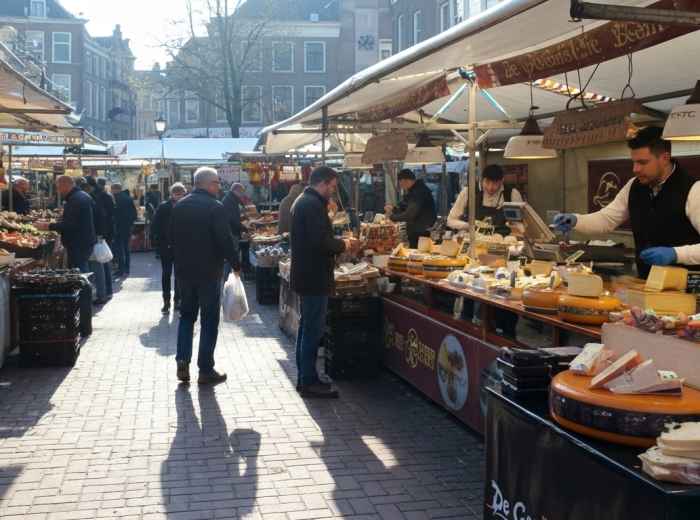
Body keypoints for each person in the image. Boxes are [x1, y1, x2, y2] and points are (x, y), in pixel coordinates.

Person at [554, 126, 700, 279]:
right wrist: (576, 220)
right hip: (647, 284)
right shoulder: (634, 185)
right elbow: (606, 220)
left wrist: (676, 254)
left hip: (688, 291)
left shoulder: (693, 190)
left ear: (664, 158)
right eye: (634, 162)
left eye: (642, 162)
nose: (635, 169)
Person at [290, 166, 357, 398]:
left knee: (307, 328)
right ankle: (308, 380)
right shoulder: (310, 204)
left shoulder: (306, 201)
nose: (333, 190)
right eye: (333, 186)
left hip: (308, 275)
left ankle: (305, 377)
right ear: (324, 183)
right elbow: (321, 242)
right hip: (314, 276)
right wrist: (344, 244)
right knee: (312, 330)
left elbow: (316, 238)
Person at [171, 167, 241, 385]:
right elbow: (225, 240)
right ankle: (205, 369)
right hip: (209, 272)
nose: (219, 186)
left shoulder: (180, 205)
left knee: (186, 316)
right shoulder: (215, 207)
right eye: (217, 183)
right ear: (208, 184)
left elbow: (170, 237)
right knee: (209, 320)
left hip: (184, 271)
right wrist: (236, 264)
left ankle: (183, 359)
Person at [36, 176, 96, 272]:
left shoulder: (76, 199)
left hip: (78, 242)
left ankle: (85, 286)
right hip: (83, 240)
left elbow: (70, 225)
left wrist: (47, 226)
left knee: (79, 271)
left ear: (65, 185)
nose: (58, 190)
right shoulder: (80, 195)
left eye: (58, 187)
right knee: (81, 268)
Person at [447, 164, 524, 234]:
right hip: (474, 240)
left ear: (502, 181)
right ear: (482, 179)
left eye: (495, 183)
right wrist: (468, 226)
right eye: (487, 182)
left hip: (502, 241)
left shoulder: (512, 194)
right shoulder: (468, 192)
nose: (490, 187)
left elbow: (521, 224)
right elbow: (450, 221)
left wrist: (515, 226)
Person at [151, 183, 187, 314]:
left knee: (179, 275)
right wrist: (157, 242)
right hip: (166, 246)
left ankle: (178, 300)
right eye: (176, 193)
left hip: (180, 246)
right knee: (166, 274)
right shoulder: (164, 207)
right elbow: (155, 225)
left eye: (180, 193)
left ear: (184, 193)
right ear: (171, 194)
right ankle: (166, 301)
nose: (178, 196)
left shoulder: (187, 207)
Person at [385, 169, 437, 248]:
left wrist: (392, 217)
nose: (401, 186)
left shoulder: (418, 192)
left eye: (400, 183)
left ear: (405, 181)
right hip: (419, 231)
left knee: (417, 256)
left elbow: (410, 214)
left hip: (420, 233)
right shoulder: (414, 190)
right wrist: (393, 209)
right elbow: (404, 207)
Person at [84, 177, 115, 304]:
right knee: (103, 262)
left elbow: (102, 216)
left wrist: (100, 234)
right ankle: (106, 291)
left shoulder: (93, 198)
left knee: (99, 264)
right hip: (102, 233)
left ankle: (103, 293)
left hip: (98, 235)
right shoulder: (100, 195)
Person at [112, 184, 137, 277]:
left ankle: (121, 269)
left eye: (112, 189)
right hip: (127, 227)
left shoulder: (116, 199)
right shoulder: (128, 198)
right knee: (126, 248)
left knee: (119, 249)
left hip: (118, 227)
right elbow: (134, 214)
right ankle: (127, 269)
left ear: (115, 190)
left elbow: (114, 214)